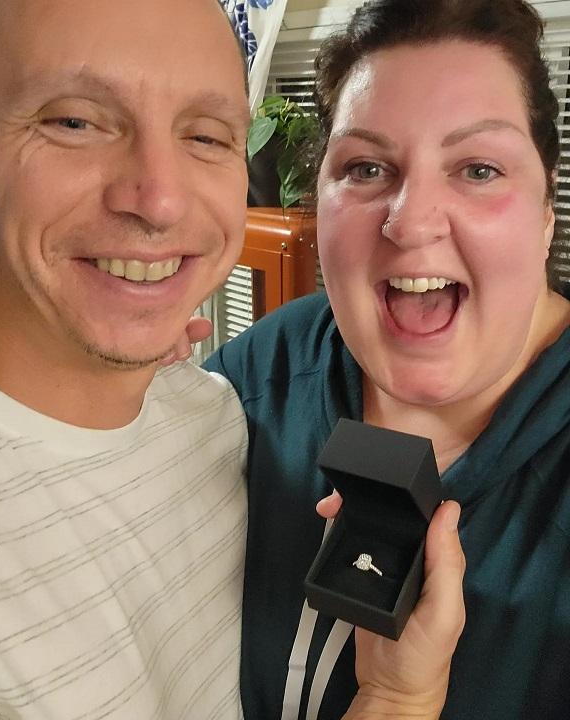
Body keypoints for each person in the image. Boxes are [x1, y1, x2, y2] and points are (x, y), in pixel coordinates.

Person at [0, 1, 464, 719]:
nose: (159, 200)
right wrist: (397, 701)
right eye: (73, 122)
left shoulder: (213, 414)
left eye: (206, 135)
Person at [205, 0, 570, 718]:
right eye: (366, 167)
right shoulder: (269, 368)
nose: (411, 222)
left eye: (479, 169)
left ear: (546, 210)